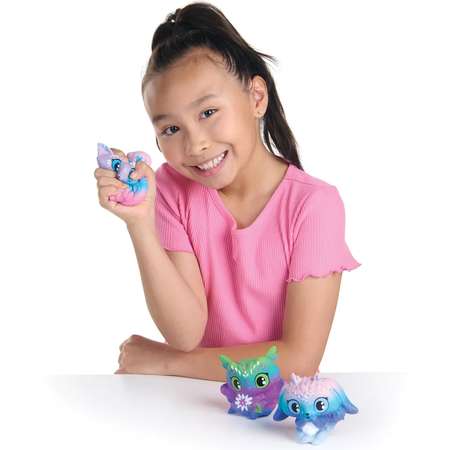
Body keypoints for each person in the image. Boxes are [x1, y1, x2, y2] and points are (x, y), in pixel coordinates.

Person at [93, 3, 362, 382]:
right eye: (171, 129)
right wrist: (139, 223)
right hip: (192, 403)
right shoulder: (170, 189)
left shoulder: (313, 205)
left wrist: (167, 363)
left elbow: (298, 360)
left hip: (275, 409)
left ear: (256, 98)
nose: (195, 145)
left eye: (208, 113)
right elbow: (186, 334)